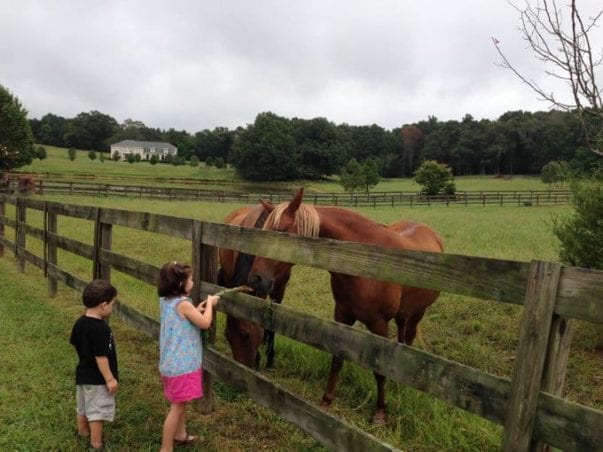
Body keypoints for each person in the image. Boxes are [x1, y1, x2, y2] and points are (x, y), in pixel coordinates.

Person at [157, 261, 220, 452]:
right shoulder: (184, 304)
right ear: (180, 285)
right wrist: (210, 304)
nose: (192, 282)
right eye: (190, 279)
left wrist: (197, 309)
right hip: (182, 367)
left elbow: (184, 319)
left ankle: (180, 435)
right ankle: (166, 448)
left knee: (180, 403)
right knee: (176, 408)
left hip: (169, 364)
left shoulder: (166, 301)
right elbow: (204, 323)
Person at [69, 279, 119, 451]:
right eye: (113, 303)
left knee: (82, 408)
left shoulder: (80, 322)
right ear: (103, 305)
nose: (113, 307)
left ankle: (82, 433)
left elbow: (75, 343)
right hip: (98, 379)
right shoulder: (101, 329)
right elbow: (101, 358)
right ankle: (96, 445)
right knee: (97, 412)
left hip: (82, 374)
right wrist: (110, 379)